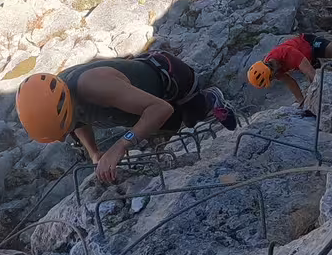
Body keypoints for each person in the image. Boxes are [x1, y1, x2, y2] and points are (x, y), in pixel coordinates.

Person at [15, 50, 236, 185]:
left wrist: (119, 147)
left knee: (176, 122)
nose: (64, 139)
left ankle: (207, 101)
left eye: (62, 132)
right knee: (148, 128)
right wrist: (95, 154)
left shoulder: (94, 86)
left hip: (172, 80)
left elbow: (160, 110)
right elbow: (78, 121)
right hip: (136, 95)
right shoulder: (61, 98)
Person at [247, 32, 332, 114]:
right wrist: (302, 102)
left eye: (270, 78)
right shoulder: (273, 69)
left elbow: (311, 73)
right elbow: (290, 82)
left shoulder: (286, 53)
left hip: (311, 45)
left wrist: (324, 95)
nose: (273, 79)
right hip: (309, 59)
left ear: (269, 71)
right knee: (316, 88)